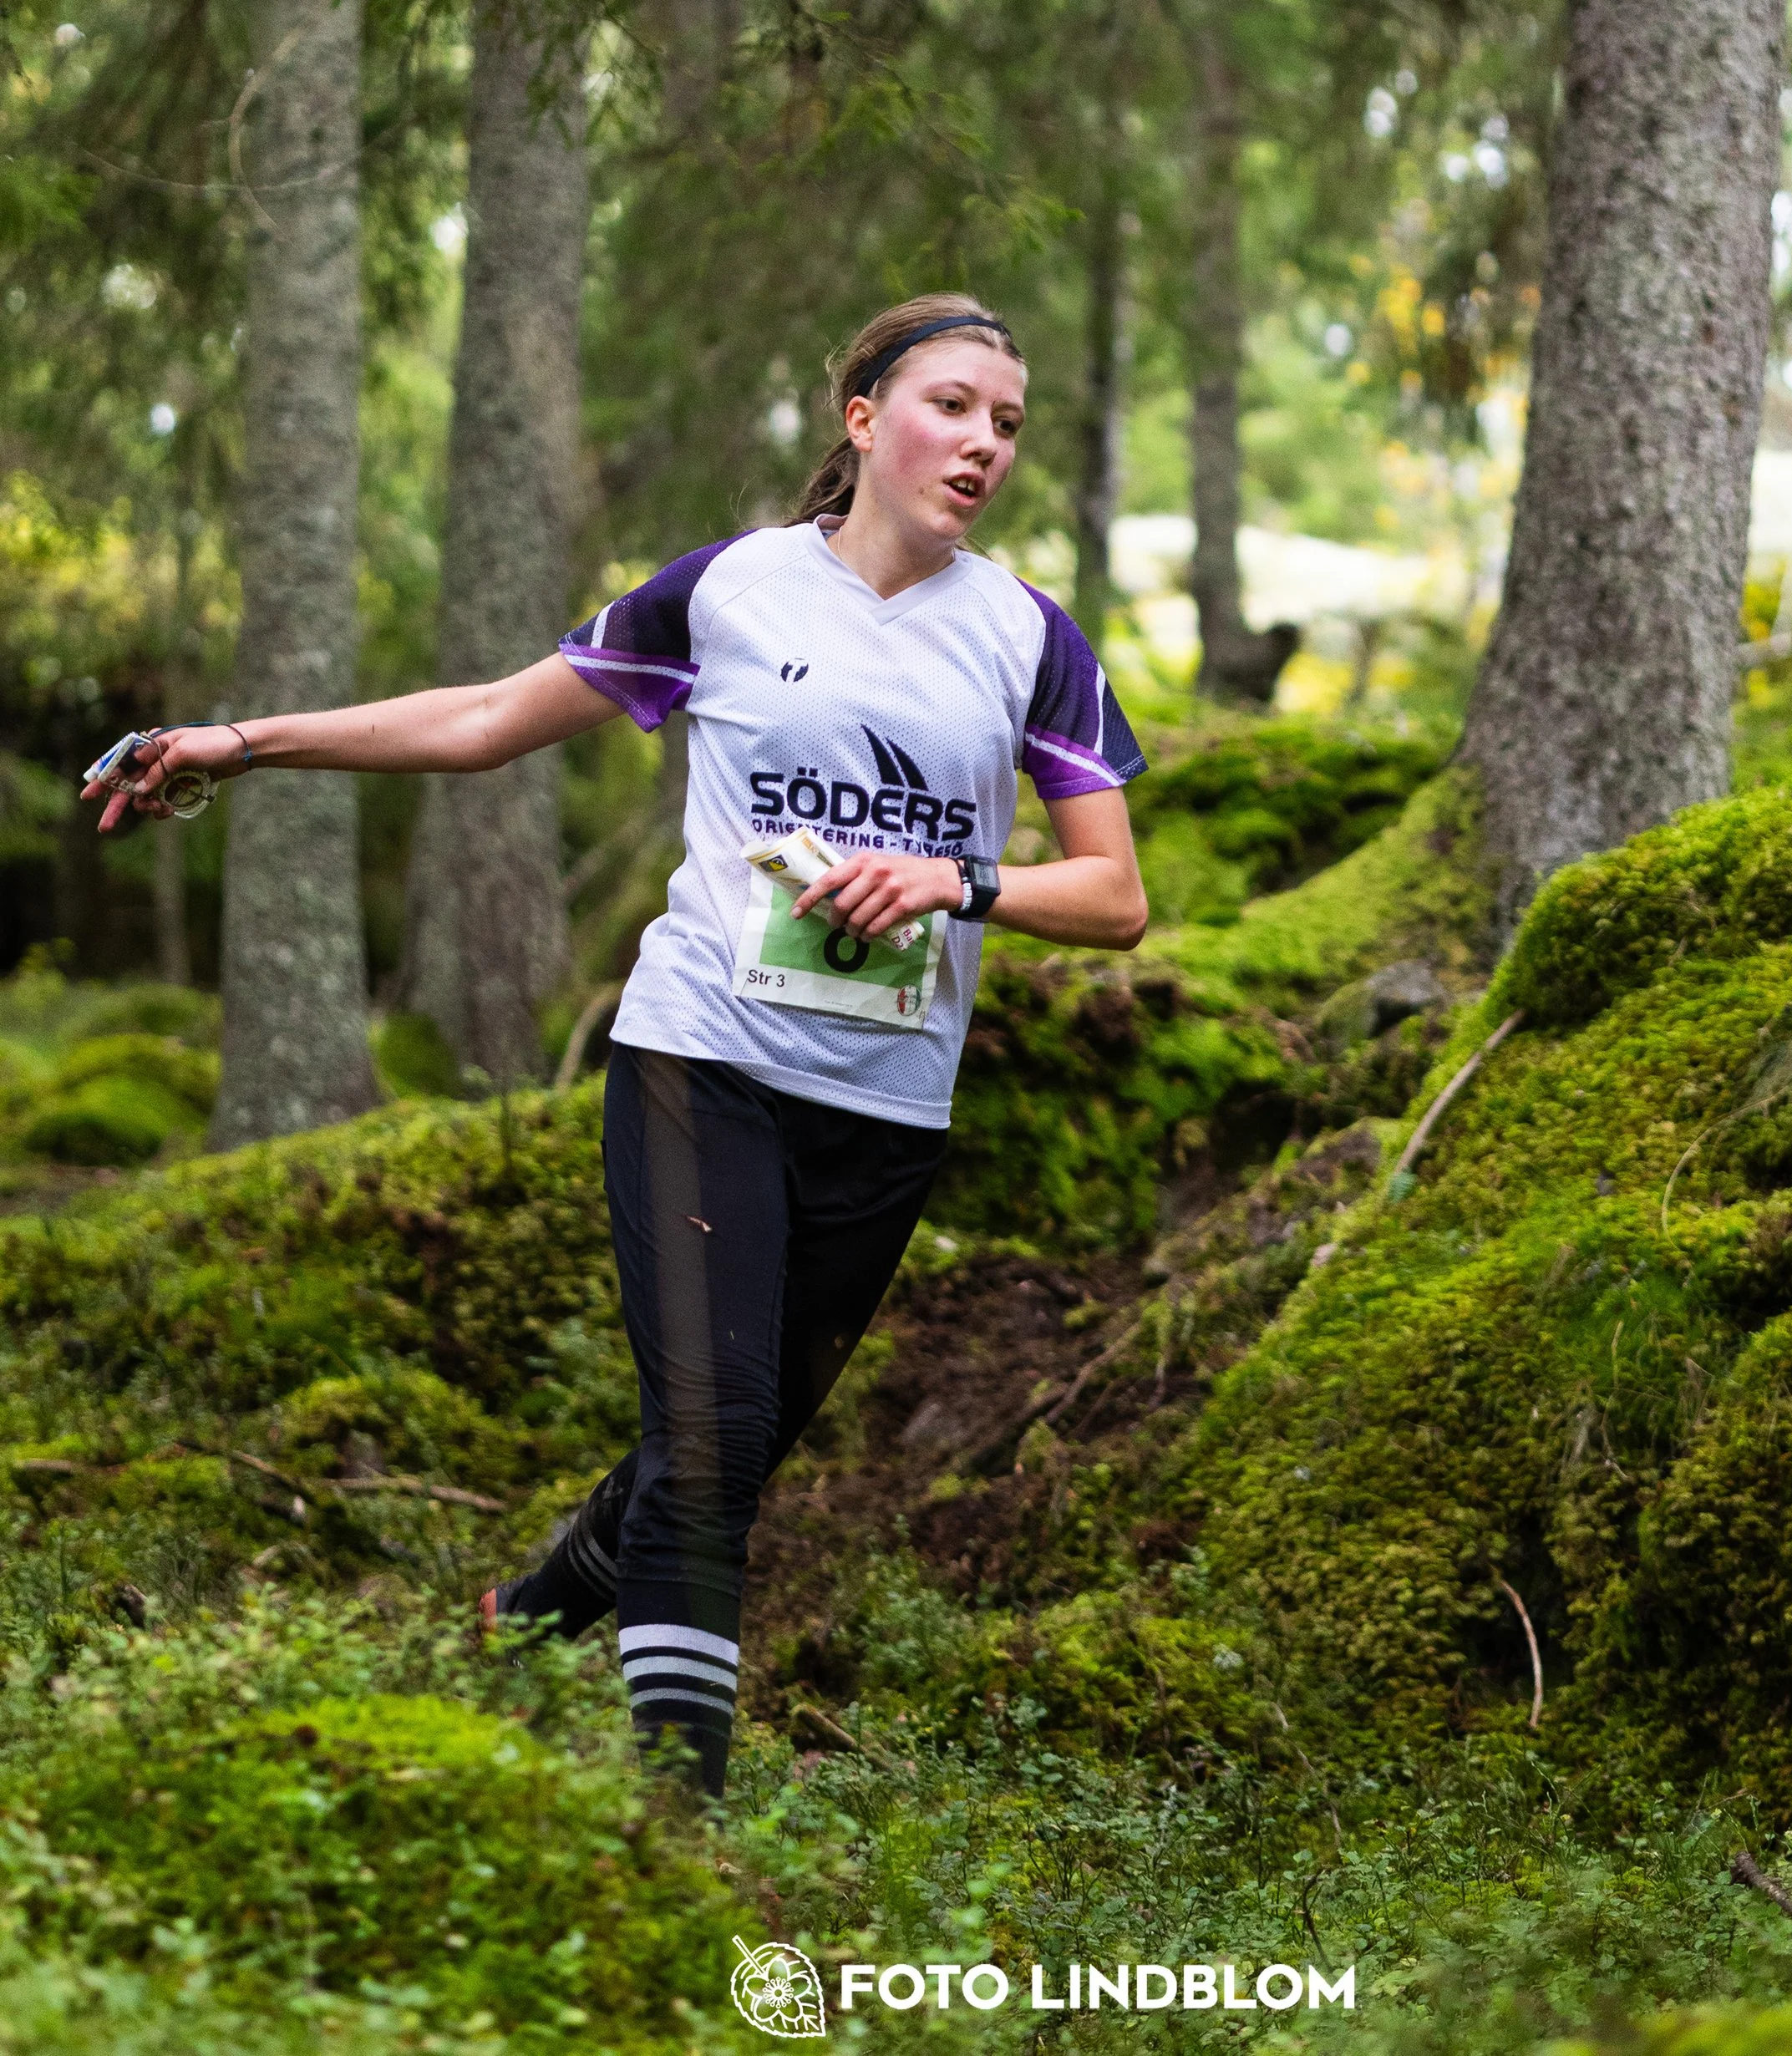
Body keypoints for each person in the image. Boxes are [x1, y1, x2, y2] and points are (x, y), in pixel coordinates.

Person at [83, 292, 1149, 1797]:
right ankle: (676, 1827)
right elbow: (484, 722)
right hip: (699, 1058)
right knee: (712, 1448)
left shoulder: (1031, 639)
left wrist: (959, 877)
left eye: (1007, 424)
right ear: (862, 420)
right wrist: (247, 742)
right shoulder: (728, 593)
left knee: (728, 1453)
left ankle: (522, 1622)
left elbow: (1115, 899)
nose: (983, 444)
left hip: (889, 1104)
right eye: (952, 406)